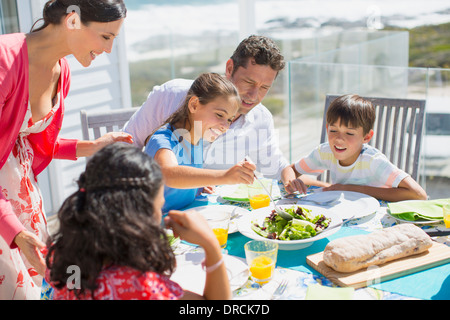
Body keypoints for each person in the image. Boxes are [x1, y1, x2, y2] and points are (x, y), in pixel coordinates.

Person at [0, 0, 133, 300]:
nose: (109, 50)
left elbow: (33, 146)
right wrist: (15, 233)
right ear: (73, 20)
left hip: (24, 202)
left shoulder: (62, 71)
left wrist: (94, 147)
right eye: (106, 36)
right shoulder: (4, 60)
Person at [46, 143, 231, 300]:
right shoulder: (141, 286)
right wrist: (211, 246)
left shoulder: (62, 257)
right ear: (137, 217)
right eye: (159, 207)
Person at [124, 35, 306, 194]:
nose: (253, 95)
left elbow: (275, 163)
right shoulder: (170, 98)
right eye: (248, 82)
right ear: (229, 68)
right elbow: (127, 150)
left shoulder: (260, 118)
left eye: (264, 88)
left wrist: (197, 186)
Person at [282, 94, 428, 202]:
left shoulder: (373, 161)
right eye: (333, 130)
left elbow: (418, 194)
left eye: (350, 133)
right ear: (327, 128)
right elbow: (290, 169)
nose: (339, 138)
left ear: (366, 137)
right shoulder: (325, 152)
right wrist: (291, 183)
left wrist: (349, 188)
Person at [144, 72, 256, 212]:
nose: (225, 126)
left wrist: (197, 186)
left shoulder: (196, 140)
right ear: (194, 105)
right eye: (219, 115)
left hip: (182, 216)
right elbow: (169, 174)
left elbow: (182, 178)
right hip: (155, 226)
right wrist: (224, 176)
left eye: (229, 119)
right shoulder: (163, 140)